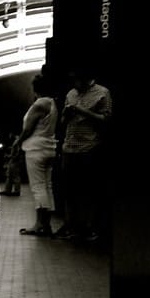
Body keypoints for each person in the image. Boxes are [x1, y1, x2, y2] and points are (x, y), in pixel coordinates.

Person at [56, 65, 113, 242]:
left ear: (87, 79)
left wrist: (82, 111)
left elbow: (106, 119)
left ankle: (89, 228)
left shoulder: (103, 93)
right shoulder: (71, 94)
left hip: (89, 148)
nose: (75, 85)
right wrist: (65, 114)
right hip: (69, 147)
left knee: (89, 190)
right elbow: (63, 122)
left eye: (78, 81)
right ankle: (71, 226)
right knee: (69, 190)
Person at [14, 74, 59, 236]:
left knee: (38, 187)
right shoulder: (53, 103)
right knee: (47, 186)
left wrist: (17, 142)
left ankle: (39, 224)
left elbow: (28, 129)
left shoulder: (39, 104)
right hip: (49, 147)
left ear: (36, 88)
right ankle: (46, 224)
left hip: (36, 149)